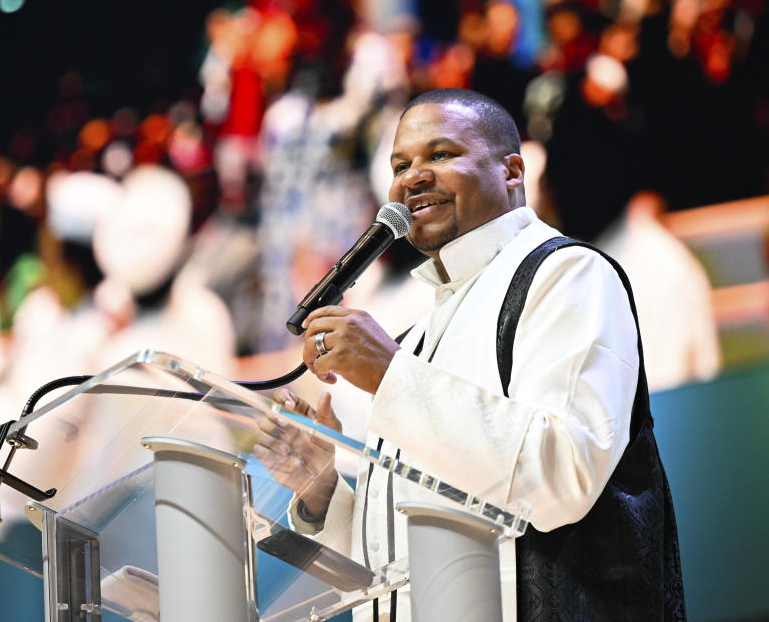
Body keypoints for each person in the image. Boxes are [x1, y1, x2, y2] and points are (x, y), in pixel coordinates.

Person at [254, 88, 684, 621]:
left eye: (440, 154)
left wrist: (390, 374)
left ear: (512, 170)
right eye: (400, 164)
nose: (412, 177)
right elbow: (400, 552)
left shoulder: (567, 275)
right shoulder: (418, 335)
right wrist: (324, 492)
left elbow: (562, 478)